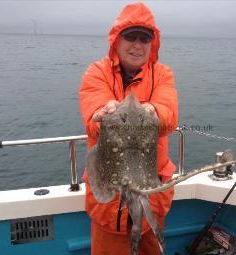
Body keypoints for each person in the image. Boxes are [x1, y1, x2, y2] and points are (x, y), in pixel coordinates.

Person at [79, 2, 178, 255]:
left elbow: (168, 114)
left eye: (144, 39)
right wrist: (101, 114)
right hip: (108, 196)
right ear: (116, 40)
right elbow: (93, 115)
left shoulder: (162, 74)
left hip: (150, 191)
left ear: (152, 45)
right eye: (130, 36)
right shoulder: (97, 72)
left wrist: (154, 111)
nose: (137, 44)